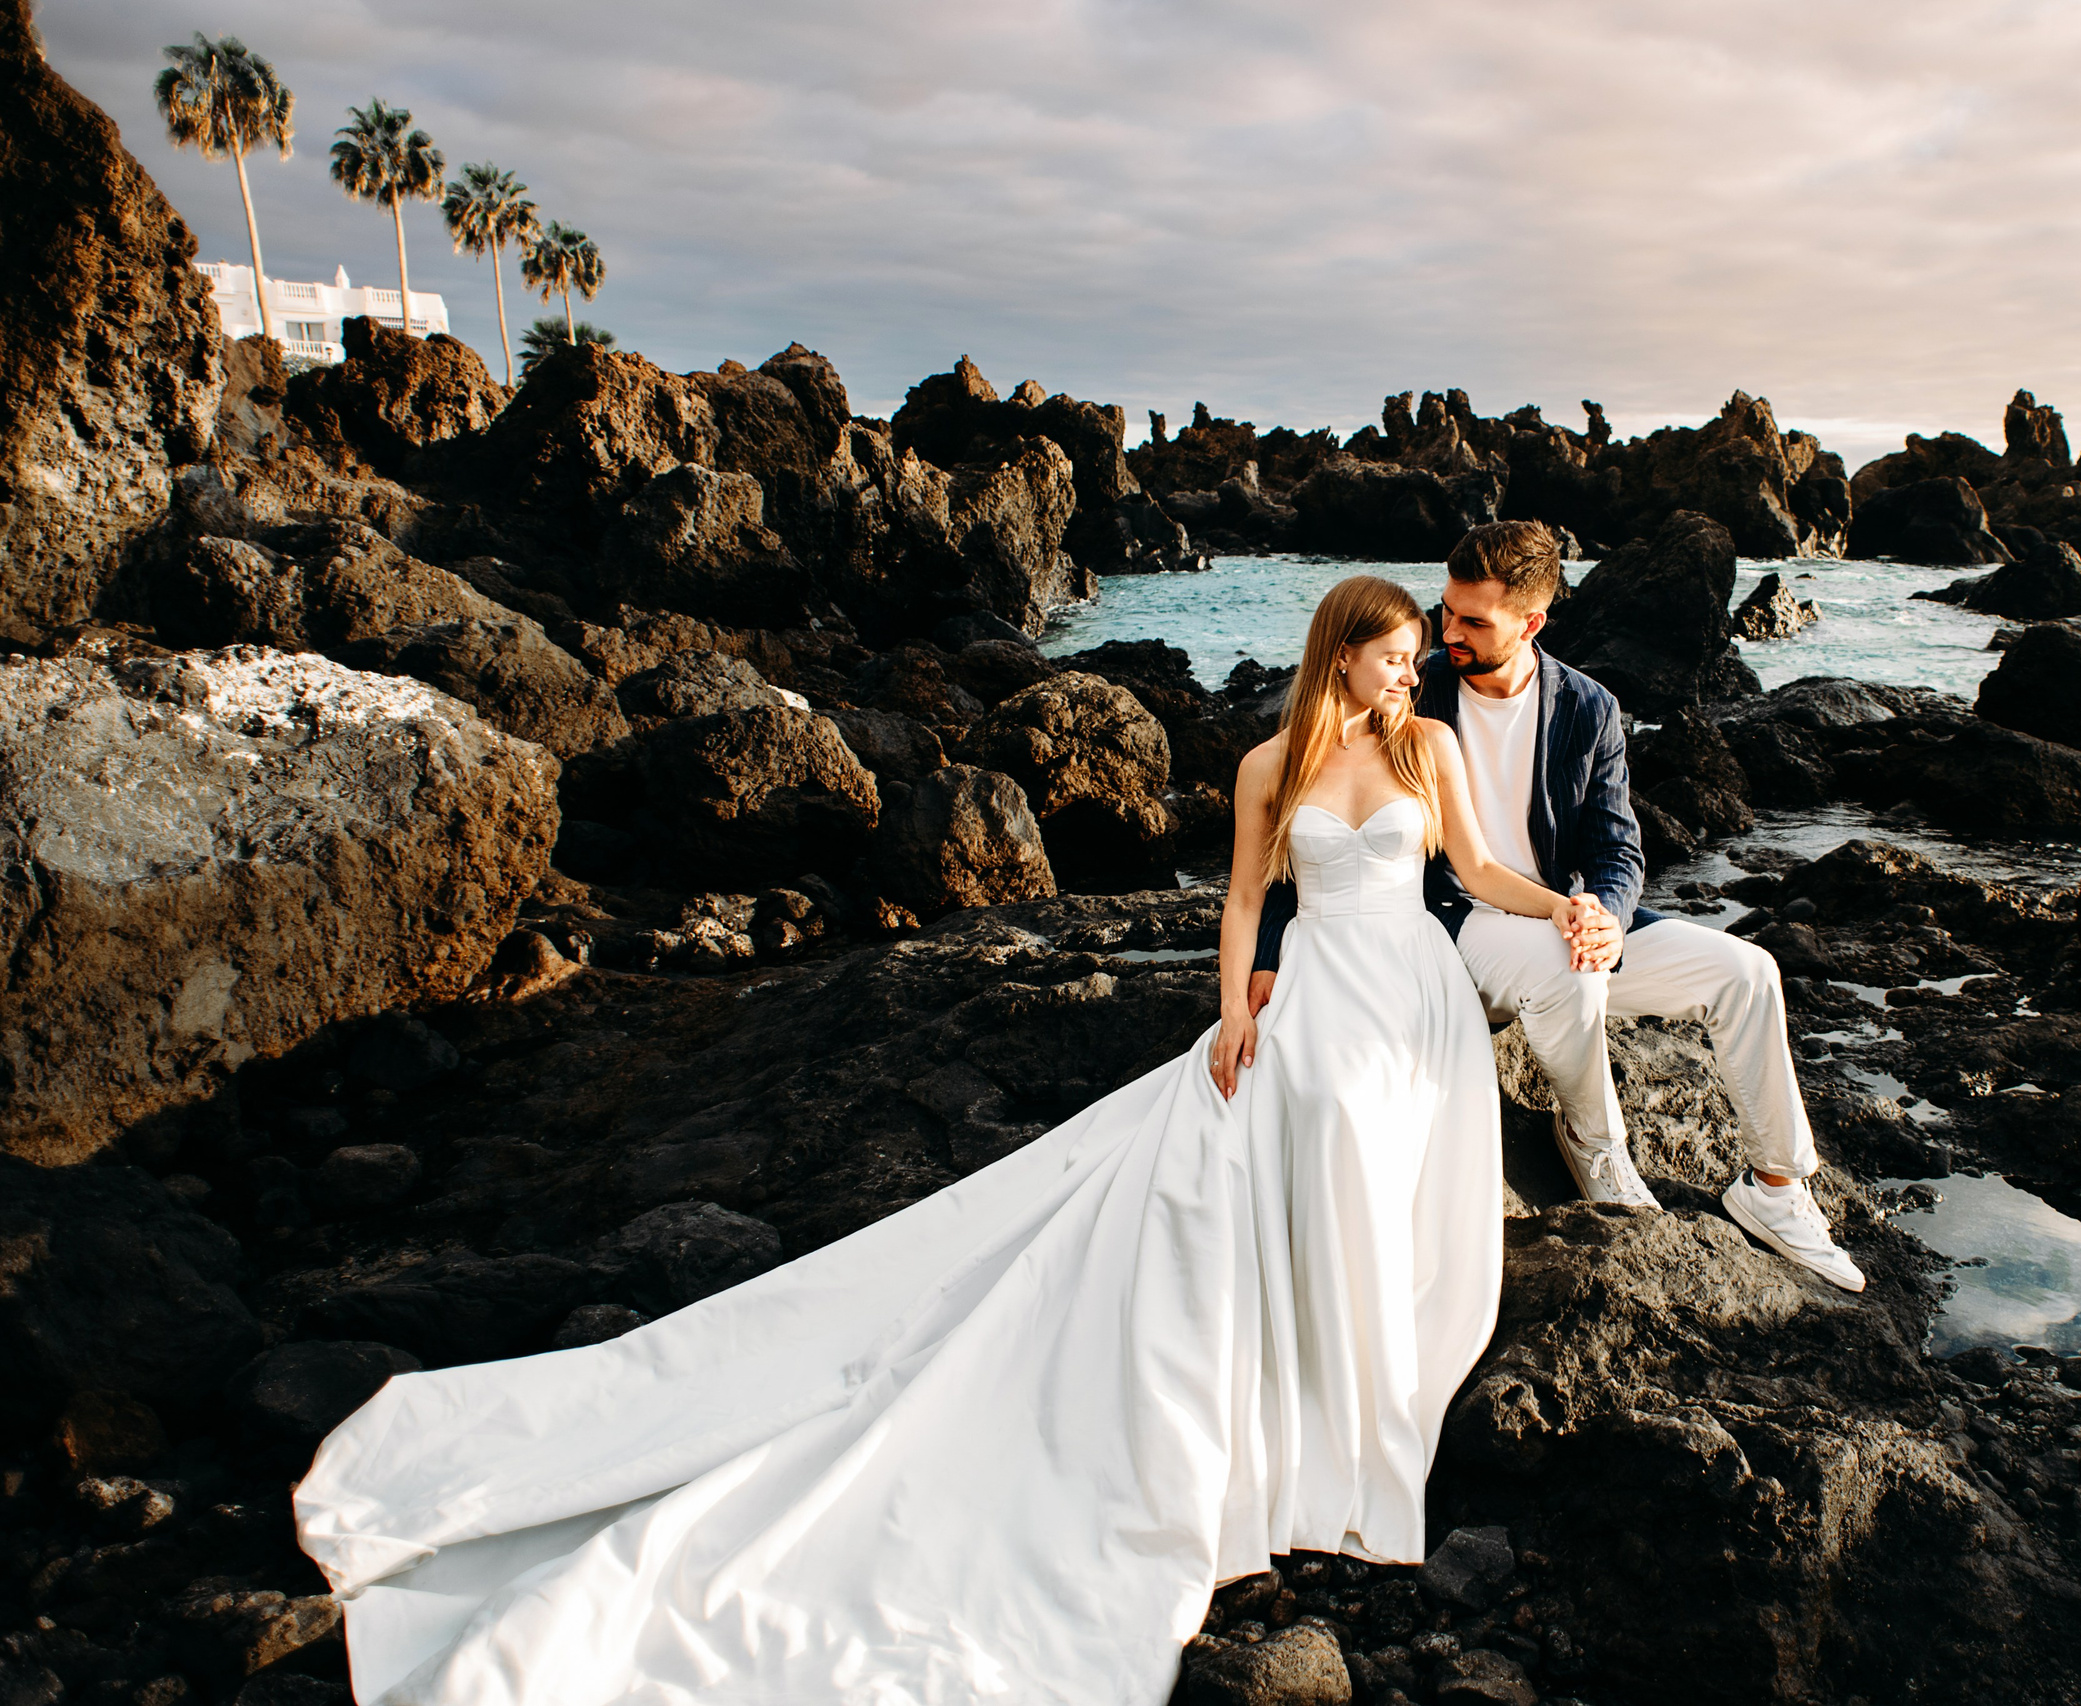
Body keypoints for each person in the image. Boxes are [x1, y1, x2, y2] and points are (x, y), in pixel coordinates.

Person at [293, 576, 1587, 1706]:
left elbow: (1475, 873)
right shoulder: (1272, 763)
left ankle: (1366, 1399)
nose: (1414, 665)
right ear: (1342, 649)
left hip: (1407, 984)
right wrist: (1231, 1011)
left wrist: (1568, 904)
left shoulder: (1427, 748)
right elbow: (1246, 899)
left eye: (1420, 651)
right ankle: (1311, 1401)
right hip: (1311, 991)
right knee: (1296, 1135)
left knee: (1368, 1143)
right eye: (1396, 648)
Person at [1250, 520, 1865, 1292]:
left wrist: (1605, 912)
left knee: (1748, 972)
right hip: (1450, 928)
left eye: (1474, 620)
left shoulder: (1588, 708)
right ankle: (1593, 1140)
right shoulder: (1413, 686)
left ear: (1532, 622)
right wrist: (1269, 956)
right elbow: (1303, 828)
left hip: (1560, 920)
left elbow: (1617, 846)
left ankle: (1775, 1189)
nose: (1449, 633)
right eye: (1448, 611)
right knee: (1565, 972)